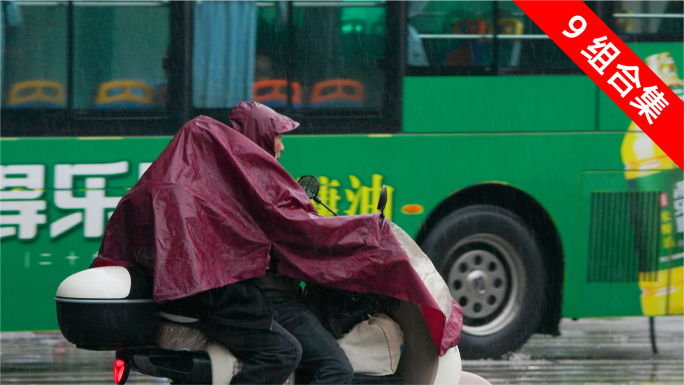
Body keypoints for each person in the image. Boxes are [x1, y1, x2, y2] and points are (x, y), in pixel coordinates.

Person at [93, 103, 462, 384]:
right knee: (332, 368)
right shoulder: (252, 185)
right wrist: (366, 232)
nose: (282, 147)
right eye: (277, 137)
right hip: (266, 299)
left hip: (243, 299)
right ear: (256, 138)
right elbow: (298, 228)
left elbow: (289, 223)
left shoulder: (230, 182)